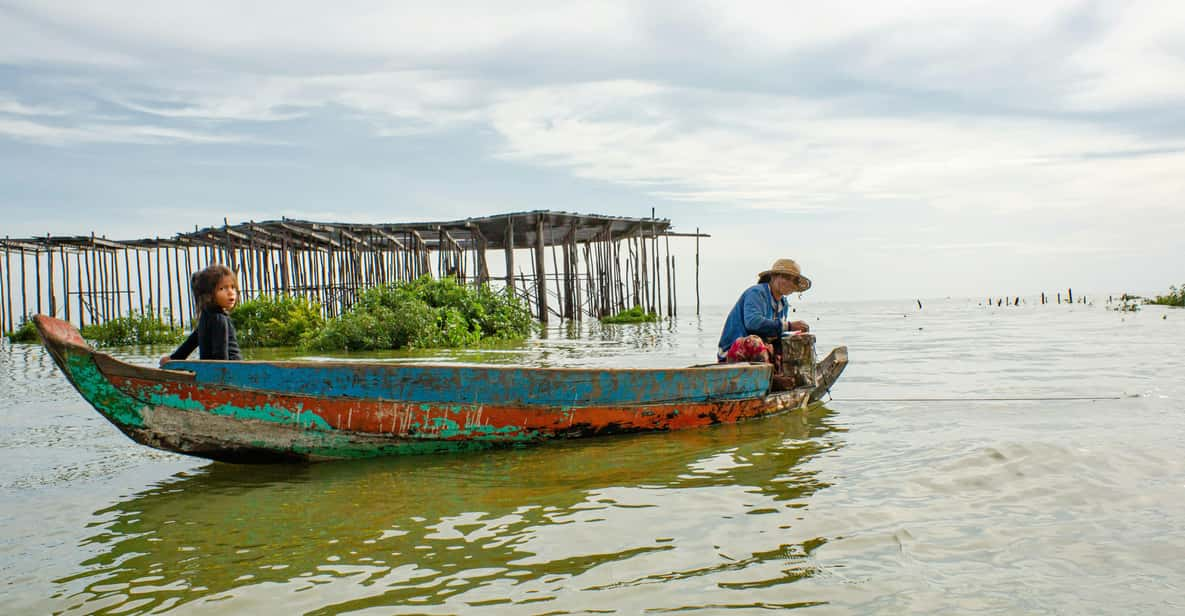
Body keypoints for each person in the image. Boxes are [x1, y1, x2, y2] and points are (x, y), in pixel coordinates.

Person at [717, 258, 811, 363]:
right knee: (753, 342)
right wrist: (789, 326)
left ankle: (783, 374)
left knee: (792, 341)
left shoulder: (783, 304)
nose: (790, 283)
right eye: (786, 278)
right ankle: (773, 376)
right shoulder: (757, 293)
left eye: (793, 281)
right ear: (773, 277)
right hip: (733, 353)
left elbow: (774, 333)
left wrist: (794, 335)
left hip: (761, 354)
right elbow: (752, 323)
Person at [161, 264, 242, 365]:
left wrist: (173, 358)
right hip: (226, 371)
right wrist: (173, 358)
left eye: (233, 287)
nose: (231, 292)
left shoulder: (210, 316)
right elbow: (219, 356)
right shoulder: (216, 318)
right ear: (208, 294)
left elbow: (220, 357)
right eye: (223, 288)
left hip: (223, 370)